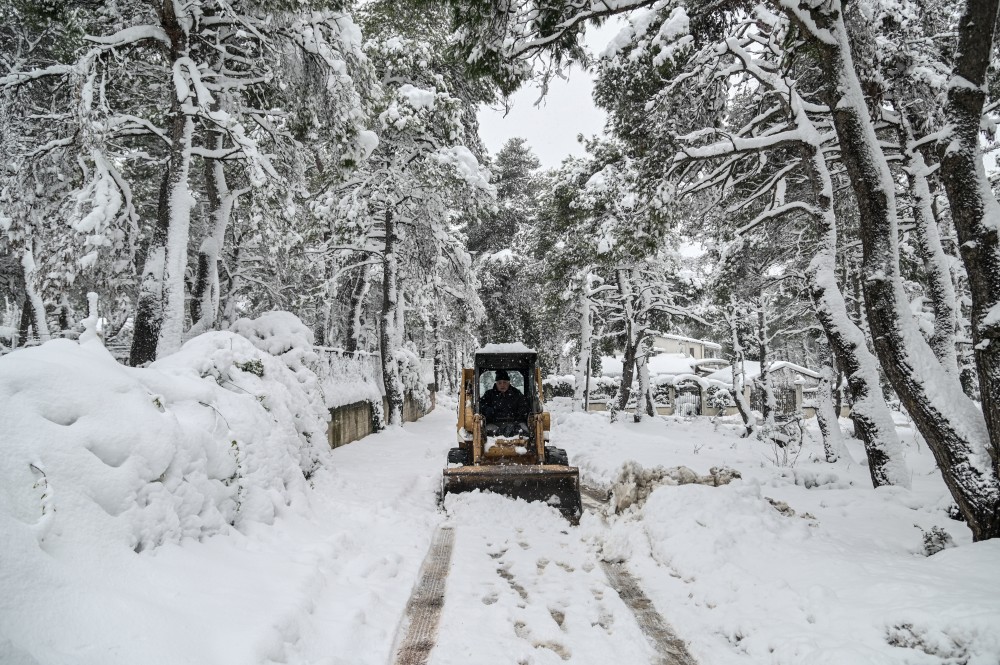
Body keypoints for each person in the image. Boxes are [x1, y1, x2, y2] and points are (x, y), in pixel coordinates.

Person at [479, 369, 529, 437]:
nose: (502, 385)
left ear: (508, 383)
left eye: (504, 382)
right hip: (494, 424)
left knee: (526, 433)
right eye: (499, 383)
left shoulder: (517, 394)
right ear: (496, 383)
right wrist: (488, 410)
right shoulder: (489, 394)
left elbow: (524, 407)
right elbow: (481, 406)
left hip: (515, 423)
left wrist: (517, 418)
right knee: (484, 434)